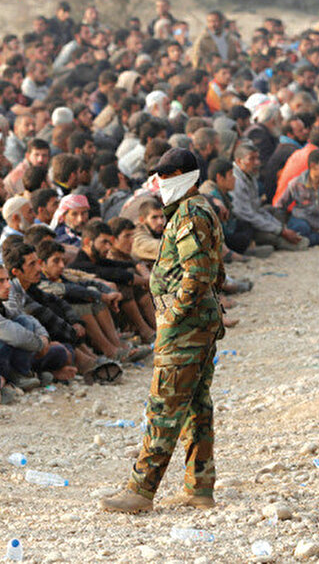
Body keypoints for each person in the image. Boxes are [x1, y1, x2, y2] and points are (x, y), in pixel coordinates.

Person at [101, 148, 225, 514]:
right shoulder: (198, 208)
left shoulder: (189, 212)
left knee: (165, 406)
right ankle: (199, 487)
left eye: (167, 175)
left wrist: (174, 313)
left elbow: (199, 274)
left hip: (185, 328)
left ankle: (141, 490)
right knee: (195, 407)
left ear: (184, 175)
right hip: (198, 324)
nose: (161, 183)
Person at [276, 149, 319, 246]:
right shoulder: (296, 183)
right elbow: (280, 205)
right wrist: (282, 228)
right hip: (301, 220)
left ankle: (303, 241)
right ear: (313, 165)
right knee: (302, 228)